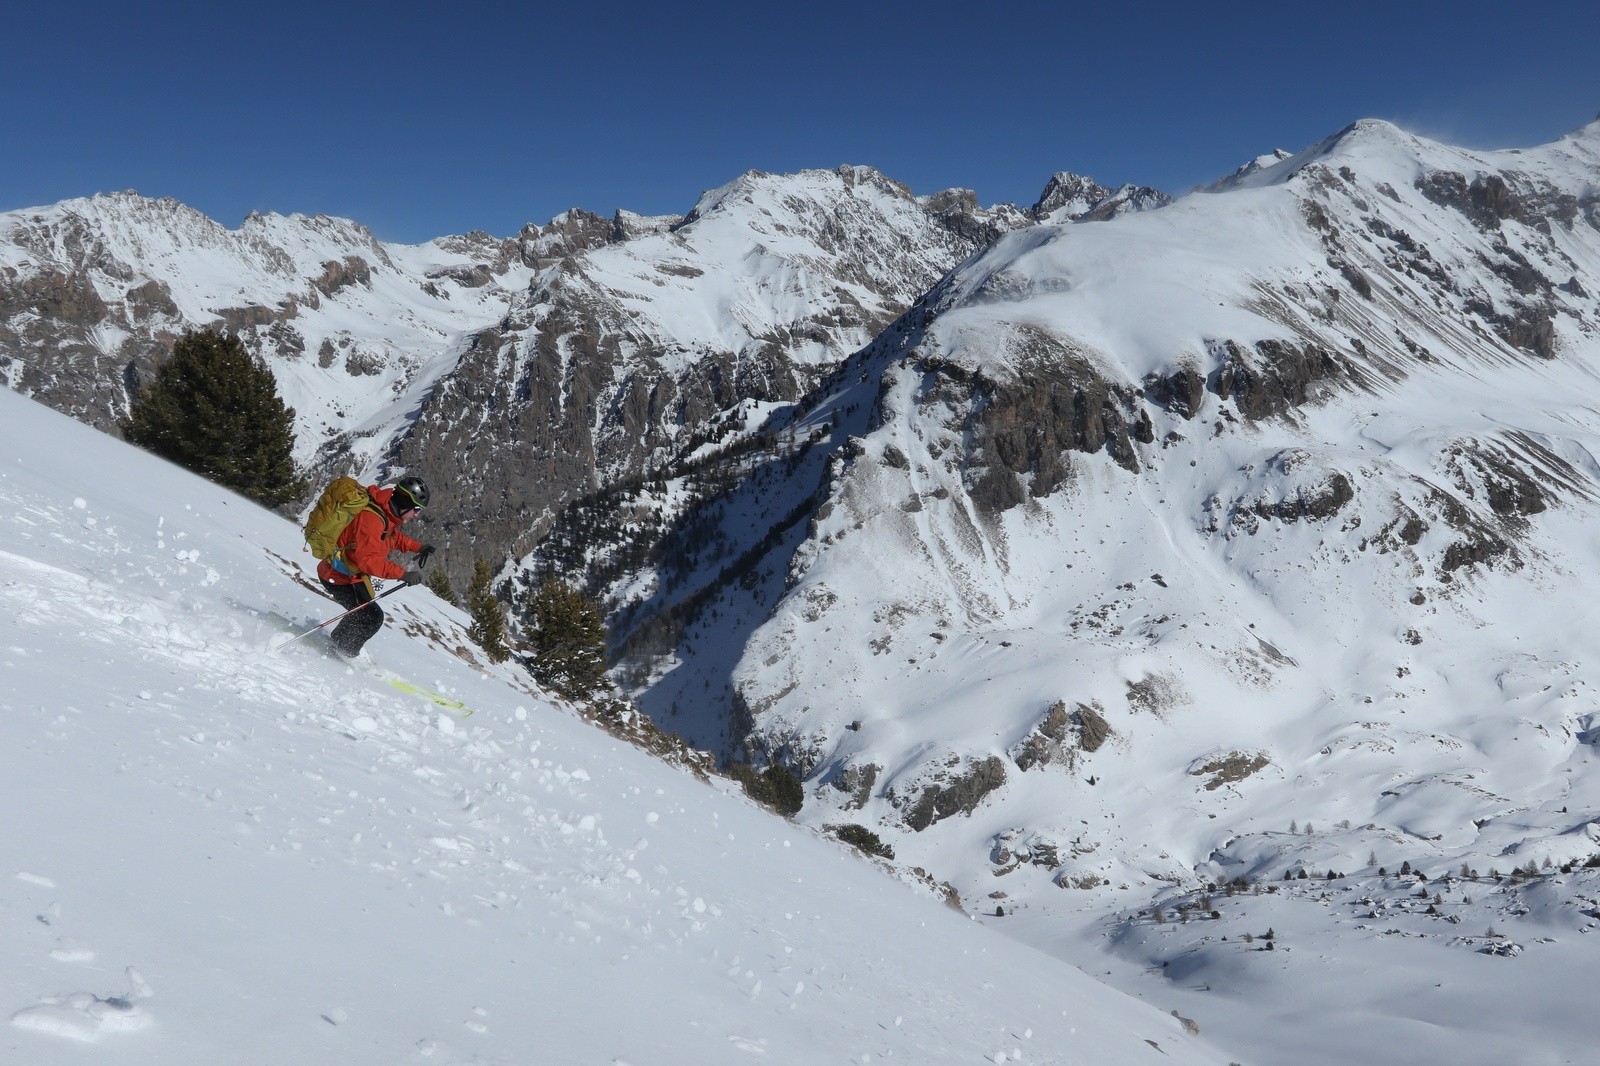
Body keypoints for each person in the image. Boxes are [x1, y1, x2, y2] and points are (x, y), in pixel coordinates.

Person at [316, 475, 434, 658]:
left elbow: (391, 537)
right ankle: (341, 656)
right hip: (339, 577)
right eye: (416, 509)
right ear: (405, 503)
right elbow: (367, 560)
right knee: (371, 618)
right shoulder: (372, 520)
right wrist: (402, 574)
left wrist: (419, 547)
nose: (416, 515)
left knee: (363, 613)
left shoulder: (385, 512)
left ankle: (337, 645)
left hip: (350, 575)